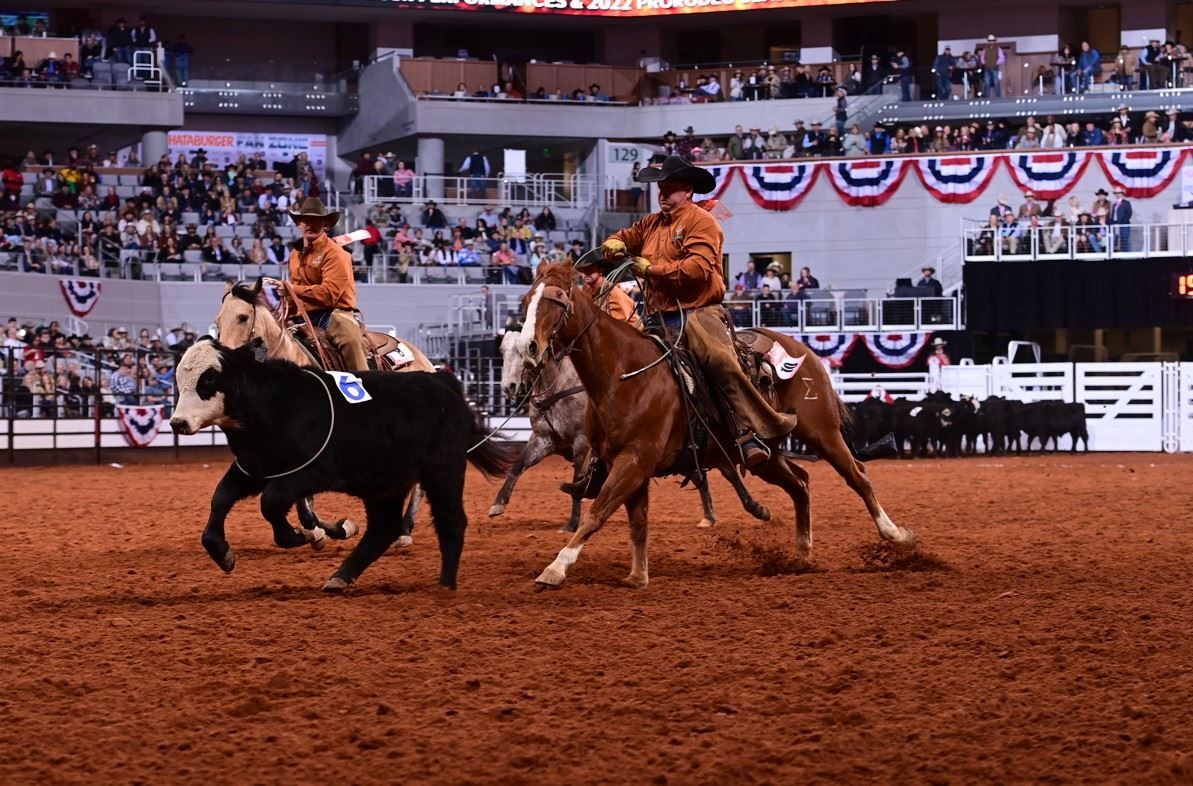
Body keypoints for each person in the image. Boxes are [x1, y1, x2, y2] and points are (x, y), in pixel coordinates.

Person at [600, 156, 797, 467]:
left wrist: (653, 270)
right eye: (660, 189)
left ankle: (747, 431)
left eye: (670, 189)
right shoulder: (651, 223)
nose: (662, 195)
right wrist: (612, 243)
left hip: (697, 312)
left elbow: (698, 269)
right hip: (657, 315)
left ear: (688, 191)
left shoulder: (702, 222)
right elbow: (628, 236)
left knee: (719, 360)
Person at [280, 197, 369, 371]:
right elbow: (293, 295)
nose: (310, 225)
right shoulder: (294, 256)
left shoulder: (335, 253)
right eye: (306, 220)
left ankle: (365, 383)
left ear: (325, 225)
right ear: (299, 224)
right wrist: (284, 316)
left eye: (315, 221)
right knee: (264, 337)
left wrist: (291, 290)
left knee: (349, 338)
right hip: (302, 316)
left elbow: (330, 294)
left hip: (332, 314)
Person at [575, 258, 640, 328]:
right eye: (582, 270)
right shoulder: (586, 290)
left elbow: (619, 325)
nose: (585, 273)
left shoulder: (613, 294)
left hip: (628, 334)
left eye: (590, 269)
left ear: (600, 271)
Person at [1108, 186, 1132, 252]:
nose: (1117, 194)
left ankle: (1127, 254)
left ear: (1122, 194)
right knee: (1115, 239)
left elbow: (1129, 213)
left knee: (1124, 239)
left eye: (1119, 193)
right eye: (1116, 193)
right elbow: (1113, 215)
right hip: (1115, 224)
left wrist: (1121, 223)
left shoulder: (1126, 203)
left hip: (1124, 224)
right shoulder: (1114, 204)